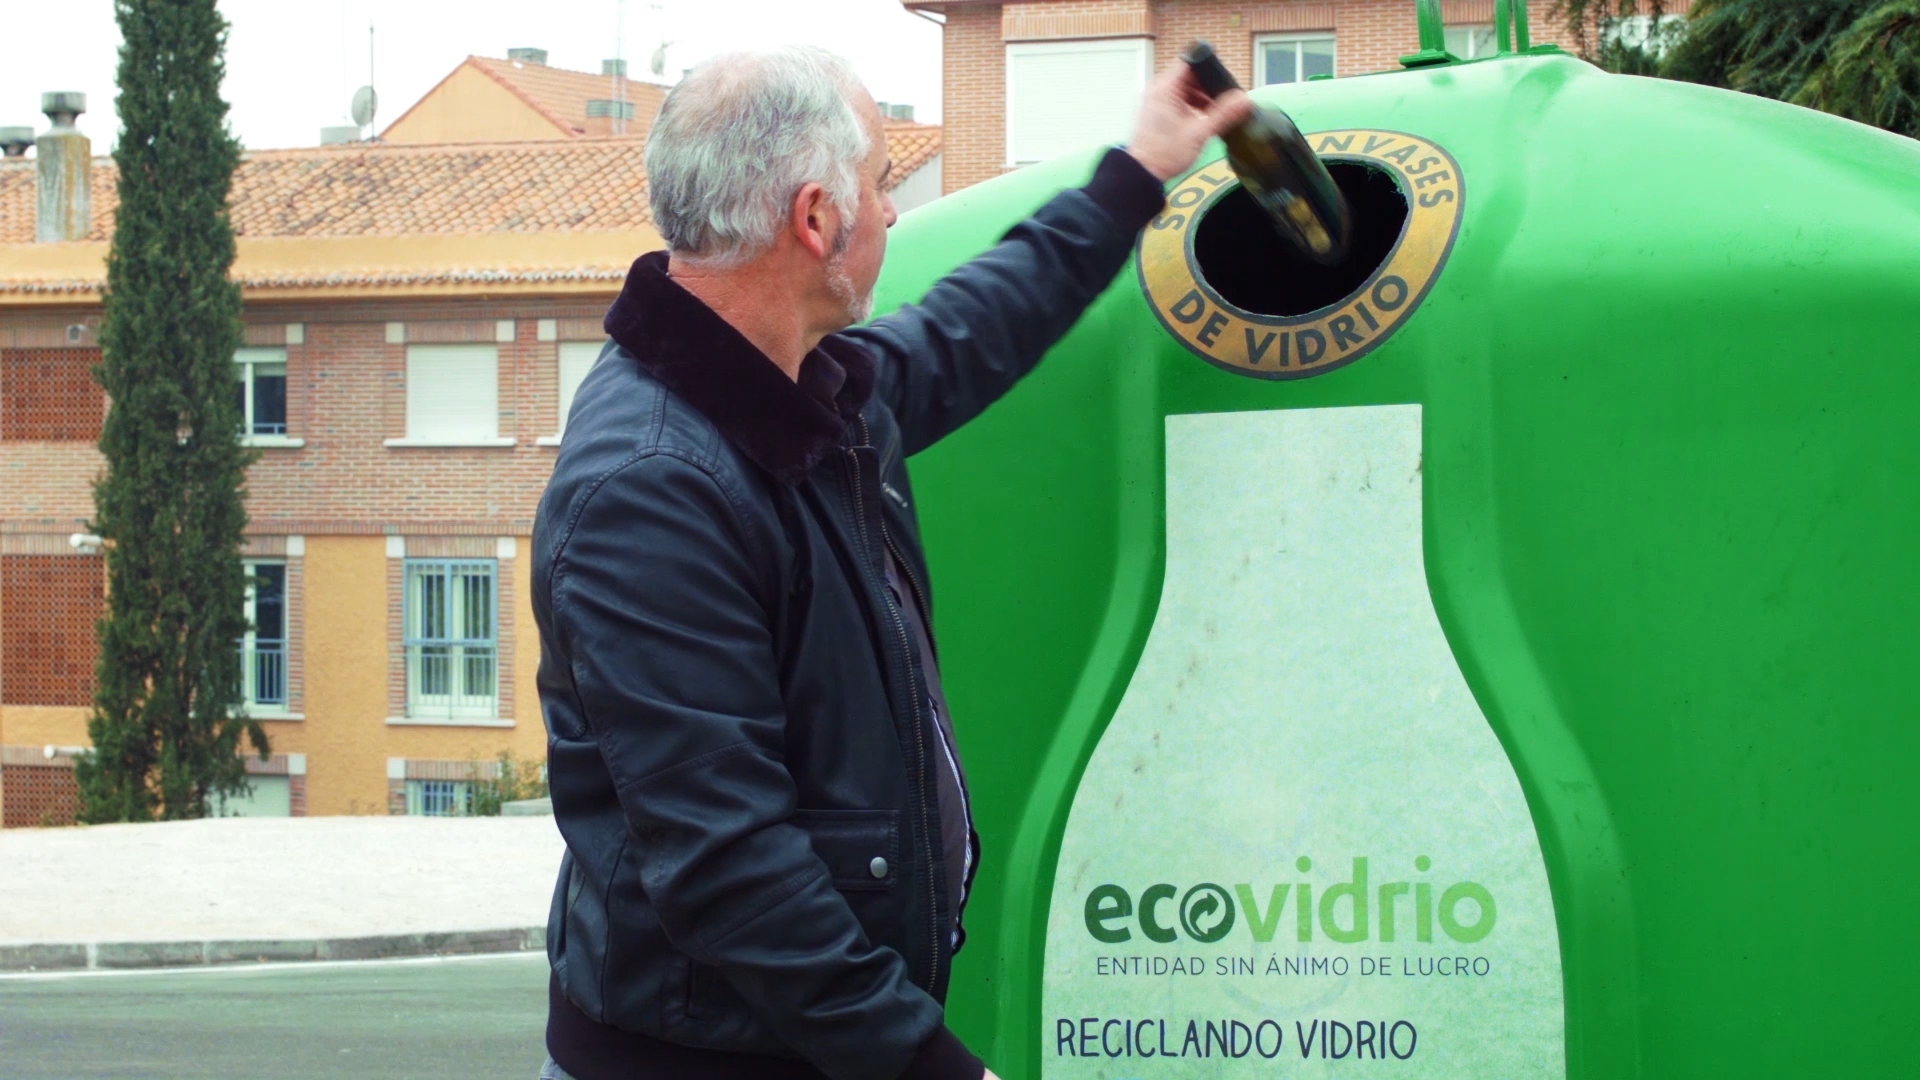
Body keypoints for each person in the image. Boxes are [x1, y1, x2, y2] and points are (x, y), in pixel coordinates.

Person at [531, 44, 1249, 1080]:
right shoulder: (650, 492)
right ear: (817, 218)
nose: (894, 213)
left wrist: (1136, 175)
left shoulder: (801, 396)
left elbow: (968, 329)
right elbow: (732, 871)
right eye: (878, 184)